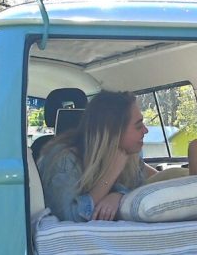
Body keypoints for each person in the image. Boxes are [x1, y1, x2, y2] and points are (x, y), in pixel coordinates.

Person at [37, 91, 155, 222]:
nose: (145, 130)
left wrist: (120, 197)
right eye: (138, 126)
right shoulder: (64, 160)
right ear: (113, 131)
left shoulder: (130, 155)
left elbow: (144, 193)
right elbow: (69, 218)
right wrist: (110, 175)